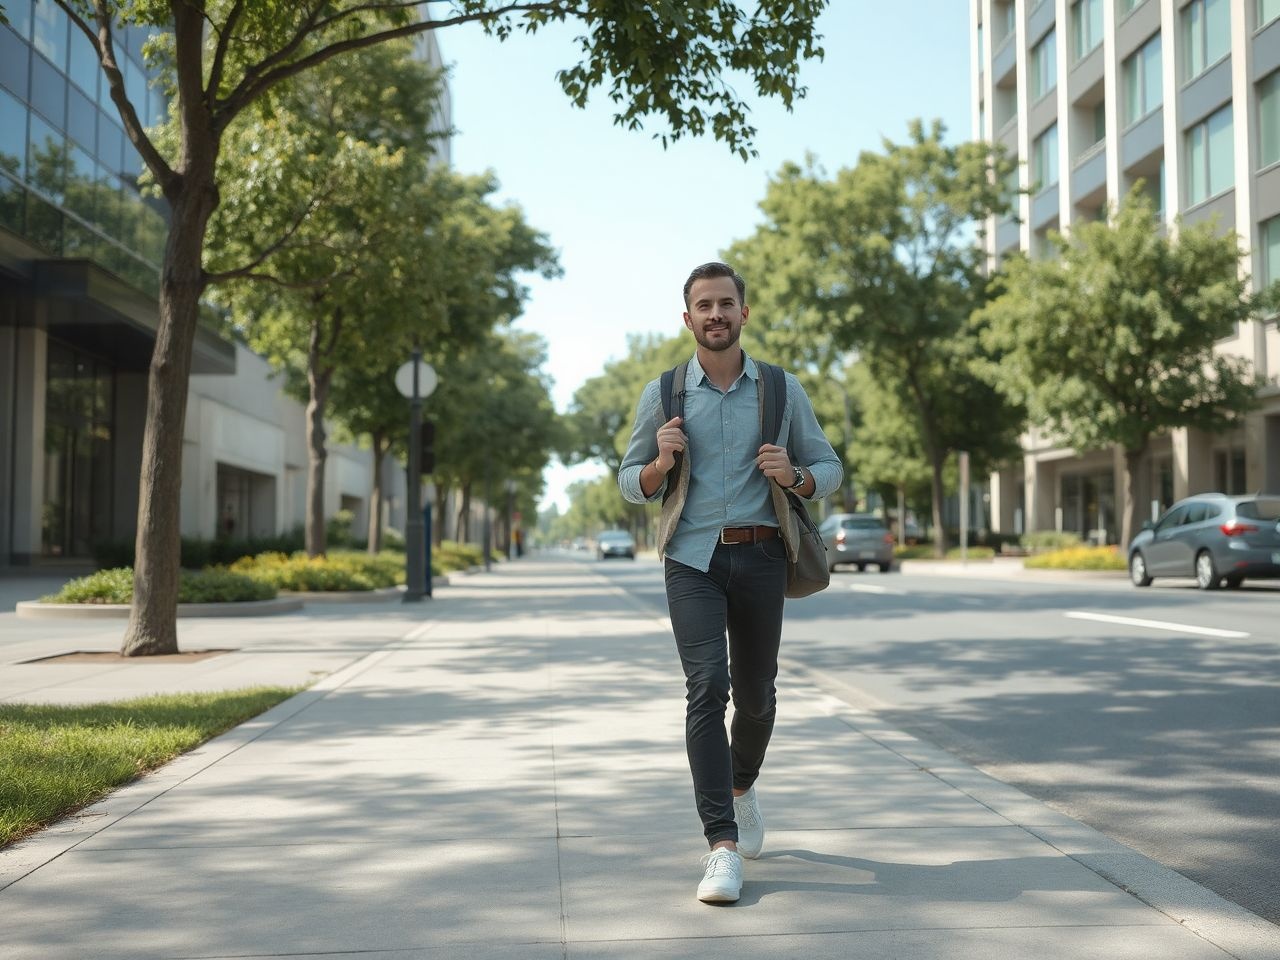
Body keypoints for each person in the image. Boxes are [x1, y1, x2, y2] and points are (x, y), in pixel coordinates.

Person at [618, 261, 842, 904]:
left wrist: (795, 474)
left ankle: (741, 788)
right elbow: (630, 482)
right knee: (706, 686)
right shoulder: (662, 394)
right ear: (687, 319)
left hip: (762, 556)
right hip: (690, 560)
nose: (715, 315)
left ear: (744, 313)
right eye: (703, 306)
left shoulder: (779, 388)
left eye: (726, 304)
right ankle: (720, 845)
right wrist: (660, 462)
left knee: (758, 696)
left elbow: (829, 465)